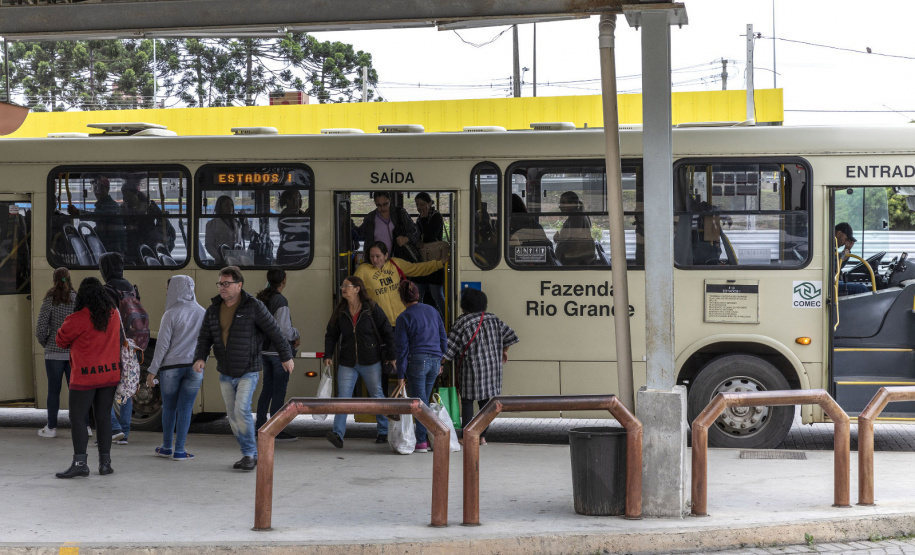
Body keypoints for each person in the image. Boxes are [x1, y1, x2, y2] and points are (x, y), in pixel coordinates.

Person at [193, 266, 294, 471]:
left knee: (241, 410)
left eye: (226, 284)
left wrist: (286, 357)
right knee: (232, 417)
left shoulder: (254, 306)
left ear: (239, 285)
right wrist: (200, 358)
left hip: (248, 370)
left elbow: (275, 331)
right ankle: (249, 452)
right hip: (225, 372)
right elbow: (204, 338)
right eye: (220, 283)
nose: (222, 287)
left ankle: (249, 454)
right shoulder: (213, 309)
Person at [54, 277, 121, 478]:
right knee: (103, 417)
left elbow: (60, 341)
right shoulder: (114, 314)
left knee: (78, 418)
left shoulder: (77, 318)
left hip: (85, 377)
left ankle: (80, 464)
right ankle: (105, 464)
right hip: (109, 374)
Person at [323, 276, 394, 448]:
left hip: (371, 360)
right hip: (347, 362)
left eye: (347, 286)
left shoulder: (372, 308)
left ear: (357, 289)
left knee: (376, 395)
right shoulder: (341, 310)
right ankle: (338, 434)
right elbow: (331, 334)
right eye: (343, 286)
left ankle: (383, 432)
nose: (343, 289)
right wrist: (328, 354)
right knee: (343, 398)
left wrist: (392, 356)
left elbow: (387, 331)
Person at [443, 288, 519, 445]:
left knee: (467, 402)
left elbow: (449, 349)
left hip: (471, 370)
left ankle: (467, 437)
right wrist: (504, 351)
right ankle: (482, 437)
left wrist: (440, 363)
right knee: (485, 403)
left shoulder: (462, 322)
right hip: (492, 370)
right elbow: (511, 336)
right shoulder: (493, 319)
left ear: (464, 305)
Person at [145, 275, 205, 461]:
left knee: (169, 407)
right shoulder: (203, 313)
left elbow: (162, 346)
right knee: (186, 408)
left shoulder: (170, 314)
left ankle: (166, 447)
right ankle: (180, 450)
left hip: (170, 368)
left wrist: (152, 371)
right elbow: (207, 342)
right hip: (194, 367)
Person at [394, 280, 447, 453]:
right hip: (434, 361)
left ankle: (422, 441)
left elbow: (402, 349)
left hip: (417, 361)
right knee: (424, 399)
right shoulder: (432, 311)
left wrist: (400, 374)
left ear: (402, 298)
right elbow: (443, 337)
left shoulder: (404, 317)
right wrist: (441, 360)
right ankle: (428, 438)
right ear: (418, 294)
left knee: (420, 403)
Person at [254, 269, 301, 442]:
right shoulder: (280, 300)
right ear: (284, 280)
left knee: (267, 389)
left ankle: (260, 426)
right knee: (279, 390)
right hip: (278, 352)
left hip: (264, 351)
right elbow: (284, 330)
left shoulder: (261, 298)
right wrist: (296, 334)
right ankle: (275, 429)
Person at [355, 241, 447, 328]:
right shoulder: (363, 270)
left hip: (402, 319)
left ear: (386, 255)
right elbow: (353, 290)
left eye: (378, 256)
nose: (374, 260)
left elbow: (417, 268)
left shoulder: (395, 263)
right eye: (372, 256)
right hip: (380, 322)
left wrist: (439, 263)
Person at [99, 252, 138, 445]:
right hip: (130, 345)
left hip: (112, 345)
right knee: (126, 389)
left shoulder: (107, 290)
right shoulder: (131, 288)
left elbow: (103, 320)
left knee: (103, 390)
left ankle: (114, 429)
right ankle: (125, 433)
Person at [35, 267, 77, 438]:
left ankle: (51, 428)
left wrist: (47, 343)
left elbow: (40, 329)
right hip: (74, 353)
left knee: (53, 391)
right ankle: (84, 426)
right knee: (76, 391)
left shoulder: (49, 300)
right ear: (69, 279)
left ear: (54, 280)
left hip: (53, 352)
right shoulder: (76, 299)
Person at [67, 174, 125, 255]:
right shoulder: (102, 205)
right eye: (95, 188)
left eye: (101, 188)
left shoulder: (111, 205)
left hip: (112, 247)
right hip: (106, 243)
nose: (97, 192)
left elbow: (99, 216)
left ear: (107, 189)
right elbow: (100, 227)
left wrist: (78, 212)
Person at [411, 192, 447, 317]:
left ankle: (446, 319)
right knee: (418, 295)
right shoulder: (419, 218)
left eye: (422, 204)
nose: (420, 207)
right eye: (417, 205)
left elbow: (429, 236)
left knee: (437, 295)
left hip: (434, 261)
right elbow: (417, 235)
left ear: (430, 203)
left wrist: (424, 218)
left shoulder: (436, 217)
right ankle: (420, 319)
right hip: (422, 261)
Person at [355, 191, 419, 259]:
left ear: (390, 200)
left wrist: (406, 238)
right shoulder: (370, 218)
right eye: (379, 205)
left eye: (385, 204)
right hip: (377, 261)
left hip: (399, 259)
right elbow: (360, 233)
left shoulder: (400, 213)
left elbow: (416, 231)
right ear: (375, 203)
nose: (382, 208)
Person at [553, 191, 596, 265]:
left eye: (563, 203)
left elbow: (573, 240)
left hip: (575, 262)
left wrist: (559, 239)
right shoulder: (580, 215)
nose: (560, 206)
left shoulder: (576, 217)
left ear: (572, 204)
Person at [205, 195, 247, 265]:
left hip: (237, 261)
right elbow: (209, 245)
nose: (230, 208)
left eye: (231, 205)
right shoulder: (212, 224)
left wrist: (245, 222)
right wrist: (220, 257)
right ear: (220, 207)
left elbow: (245, 238)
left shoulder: (236, 222)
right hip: (221, 262)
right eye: (226, 205)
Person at [276, 189, 311, 266]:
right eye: (297, 198)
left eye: (300, 198)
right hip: (288, 255)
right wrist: (307, 215)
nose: (300, 201)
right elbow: (296, 223)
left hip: (302, 254)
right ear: (288, 201)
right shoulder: (285, 214)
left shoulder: (300, 212)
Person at [835, 222, 869, 296]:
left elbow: (838, 268)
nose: (845, 243)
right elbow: (830, 268)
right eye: (846, 239)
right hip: (828, 284)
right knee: (862, 289)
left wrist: (847, 250)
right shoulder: (826, 246)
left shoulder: (831, 247)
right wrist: (841, 259)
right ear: (839, 233)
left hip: (832, 281)